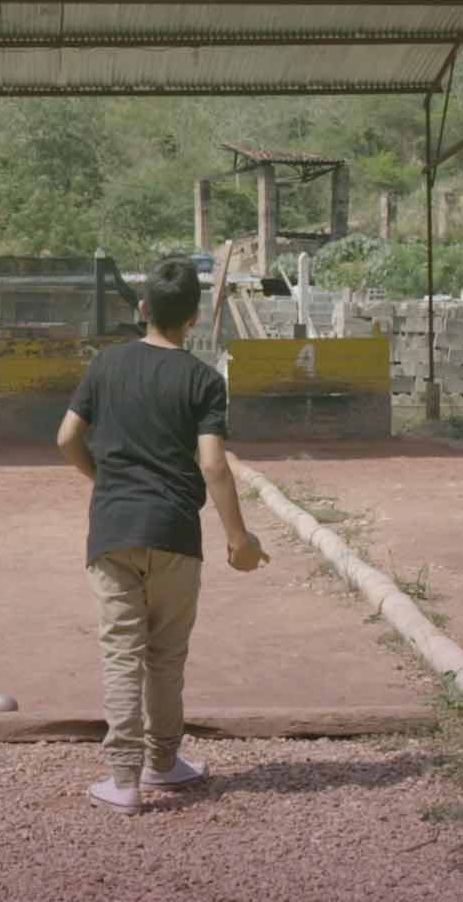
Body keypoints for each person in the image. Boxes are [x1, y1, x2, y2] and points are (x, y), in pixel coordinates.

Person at [55, 255, 269, 815]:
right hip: (176, 531)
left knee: (121, 653)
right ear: (193, 318)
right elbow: (214, 466)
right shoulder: (203, 380)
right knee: (166, 657)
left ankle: (123, 779)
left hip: (113, 530)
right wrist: (239, 540)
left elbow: (65, 438)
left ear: (143, 309)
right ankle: (163, 762)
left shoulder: (106, 366)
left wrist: (101, 478)